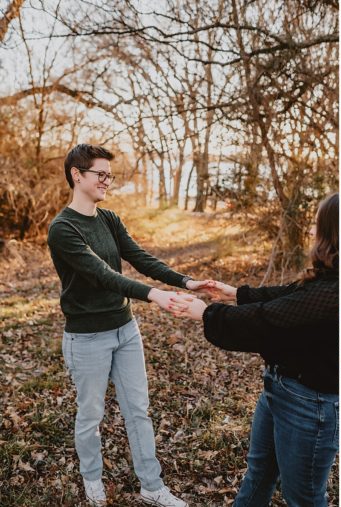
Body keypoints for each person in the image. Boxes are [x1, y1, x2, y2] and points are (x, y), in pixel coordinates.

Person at [47, 143, 208, 507]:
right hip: (87, 338)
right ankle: (93, 482)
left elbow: (138, 257)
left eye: (109, 175)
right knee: (90, 415)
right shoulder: (63, 229)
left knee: (138, 409)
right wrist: (155, 296)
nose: (107, 181)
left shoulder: (109, 219)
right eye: (100, 174)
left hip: (125, 330)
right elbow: (102, 274)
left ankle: (152, 486)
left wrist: (184, 282)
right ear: (77, 175)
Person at [168, 192, 340, 505]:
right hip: (278, 387)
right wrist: (235, 293)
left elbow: (269, 319)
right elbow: (286, 295)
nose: (312, 231)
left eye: (318, 225)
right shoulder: (325, 279)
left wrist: (204, 312)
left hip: (309, 405)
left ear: (328, 232)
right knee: (258, 475)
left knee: (302, 497)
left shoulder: (334, 290)